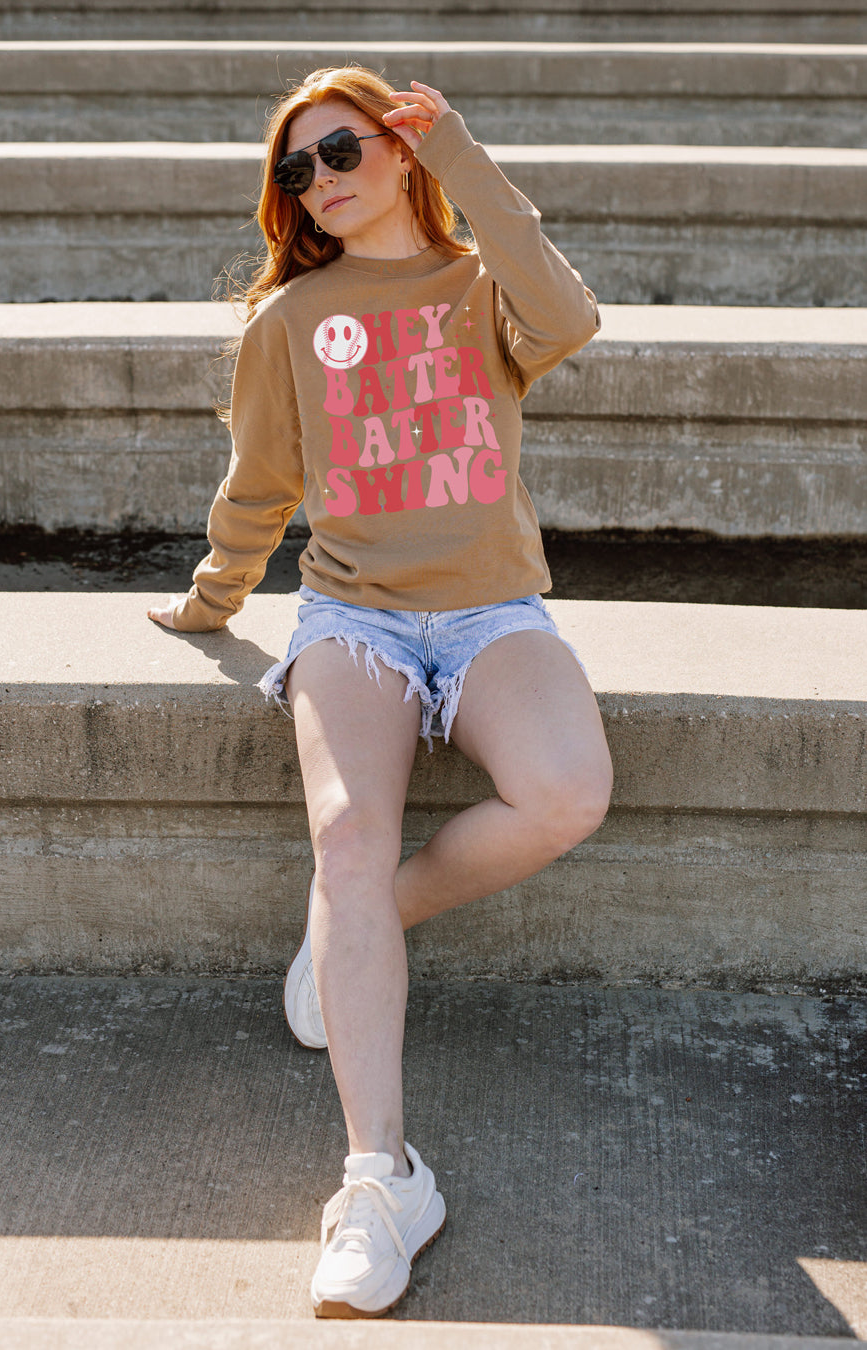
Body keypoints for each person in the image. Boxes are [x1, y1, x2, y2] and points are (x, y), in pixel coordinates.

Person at [148, 65, 612, 1319]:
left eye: (344, 150)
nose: (322, 181)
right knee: (346, 836)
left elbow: (570, 319)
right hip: (354, 618)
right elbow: (260, 485)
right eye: (297, 169)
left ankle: (363, 926)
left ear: (403, 153)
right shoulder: (290, 321)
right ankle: (380, 1180)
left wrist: (463, 153)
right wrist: (213, 599)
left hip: (492, 611)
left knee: (567, 794)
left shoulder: (482, 289)